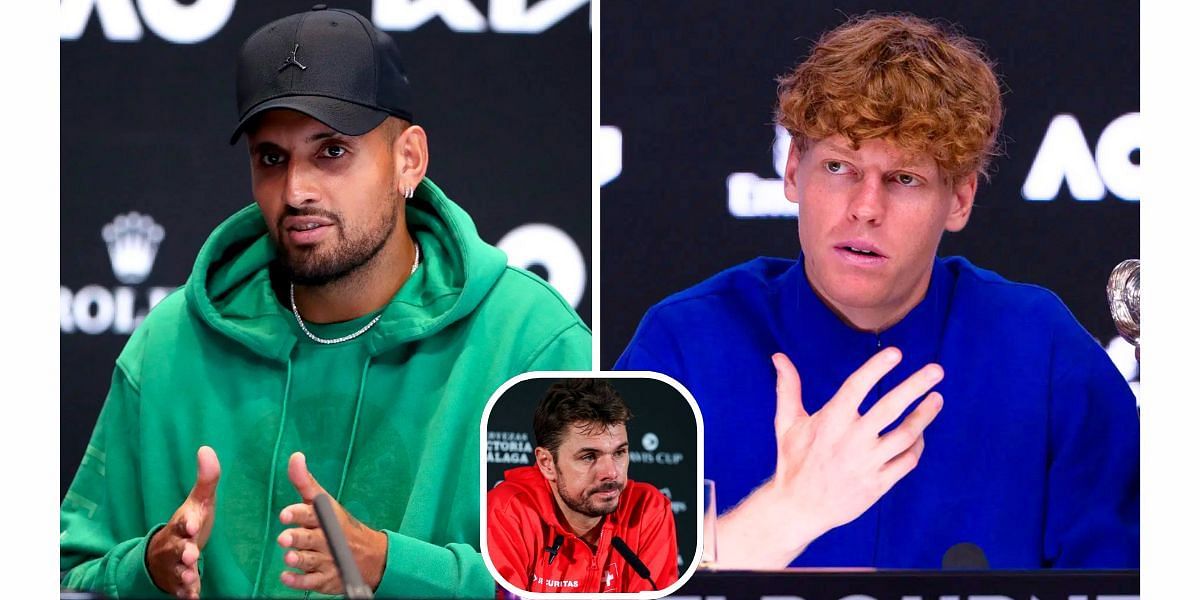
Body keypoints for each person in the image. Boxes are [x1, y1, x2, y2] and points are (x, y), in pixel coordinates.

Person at [59, 7, 590, 599]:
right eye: (271, 158)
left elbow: (595, 576)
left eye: (332, 152)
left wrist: (391, 567)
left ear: (408, 158)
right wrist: (146, 569)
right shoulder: (166, 347)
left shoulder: (533, 342)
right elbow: (67, 574)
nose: (296, 190)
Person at [616, 14, 1138, 569]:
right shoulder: (684, 346)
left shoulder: (1041, 350)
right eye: (839, 167)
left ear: (959, 199)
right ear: (793, 171)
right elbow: (593, 573)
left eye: (904, 178)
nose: (866, 207)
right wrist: (786, 513)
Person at [486, 379, 678, 593]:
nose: (611, 473)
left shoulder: (647, 508)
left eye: (619, 453)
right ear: (546, 463)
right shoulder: (507, 511)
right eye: (588, 457)